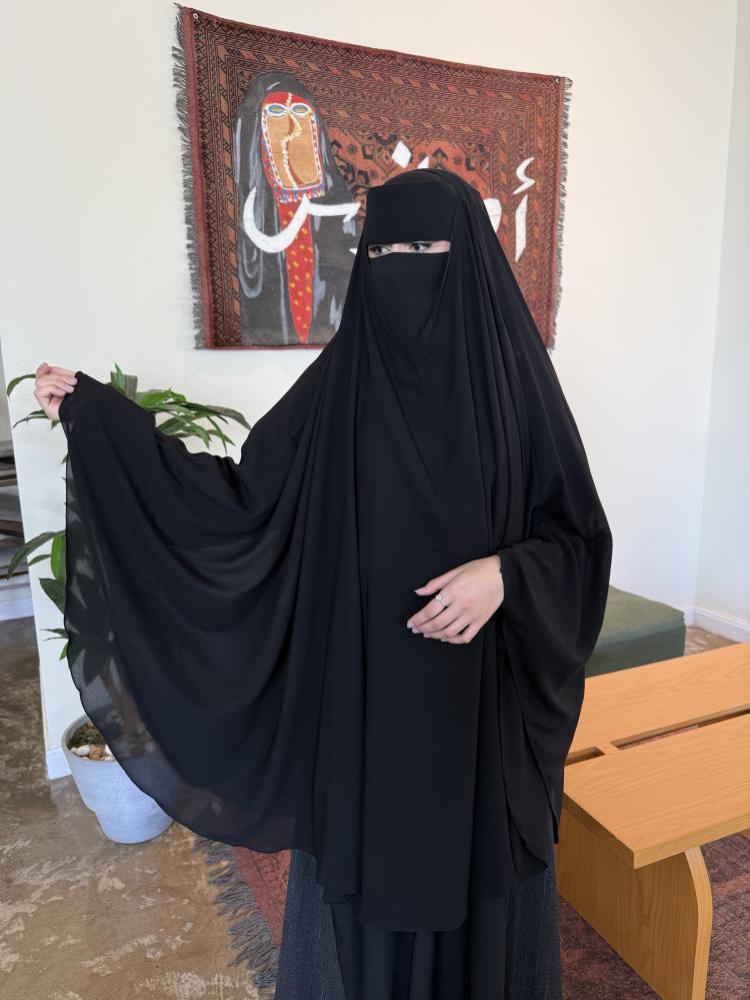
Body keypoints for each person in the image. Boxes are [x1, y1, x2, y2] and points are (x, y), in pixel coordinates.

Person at [35, 167, 613, 998]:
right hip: (362, 702)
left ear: (470, 257)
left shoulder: (515, 390)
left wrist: (505, 577)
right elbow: (241, 500)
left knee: (475, 882)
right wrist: (98, 421)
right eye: (381, 252)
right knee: (369, 887)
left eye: (425, 248)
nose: (401, 268)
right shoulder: (340, 388)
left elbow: (580, 542)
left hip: (479, 707)